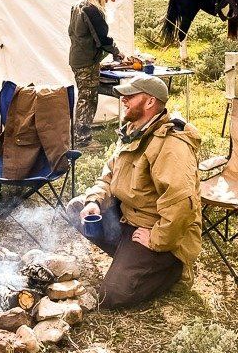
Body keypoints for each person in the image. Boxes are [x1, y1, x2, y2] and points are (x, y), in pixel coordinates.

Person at [65, 75, 201, 308]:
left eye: (130, 96)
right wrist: (95, 201)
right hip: (129, 218)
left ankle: (171, 268)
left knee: (112, 296)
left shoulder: (171, 145)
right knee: (78, 208)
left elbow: (182, 204)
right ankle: (130, 257)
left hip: (157, 229)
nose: (124, 99)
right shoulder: (133, 131)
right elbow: (109, 176)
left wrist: (157, 238)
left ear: (149, 102)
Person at [69, 0, 124, 146]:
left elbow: (73, 33)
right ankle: (82, 140)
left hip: (79, 58)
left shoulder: (78, 6)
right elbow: (102, 38)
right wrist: (116, 52)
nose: (107, 1)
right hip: (86, 61)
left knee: (87, 97)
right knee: (87, 99)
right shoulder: (91, 10)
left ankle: (79, 136)